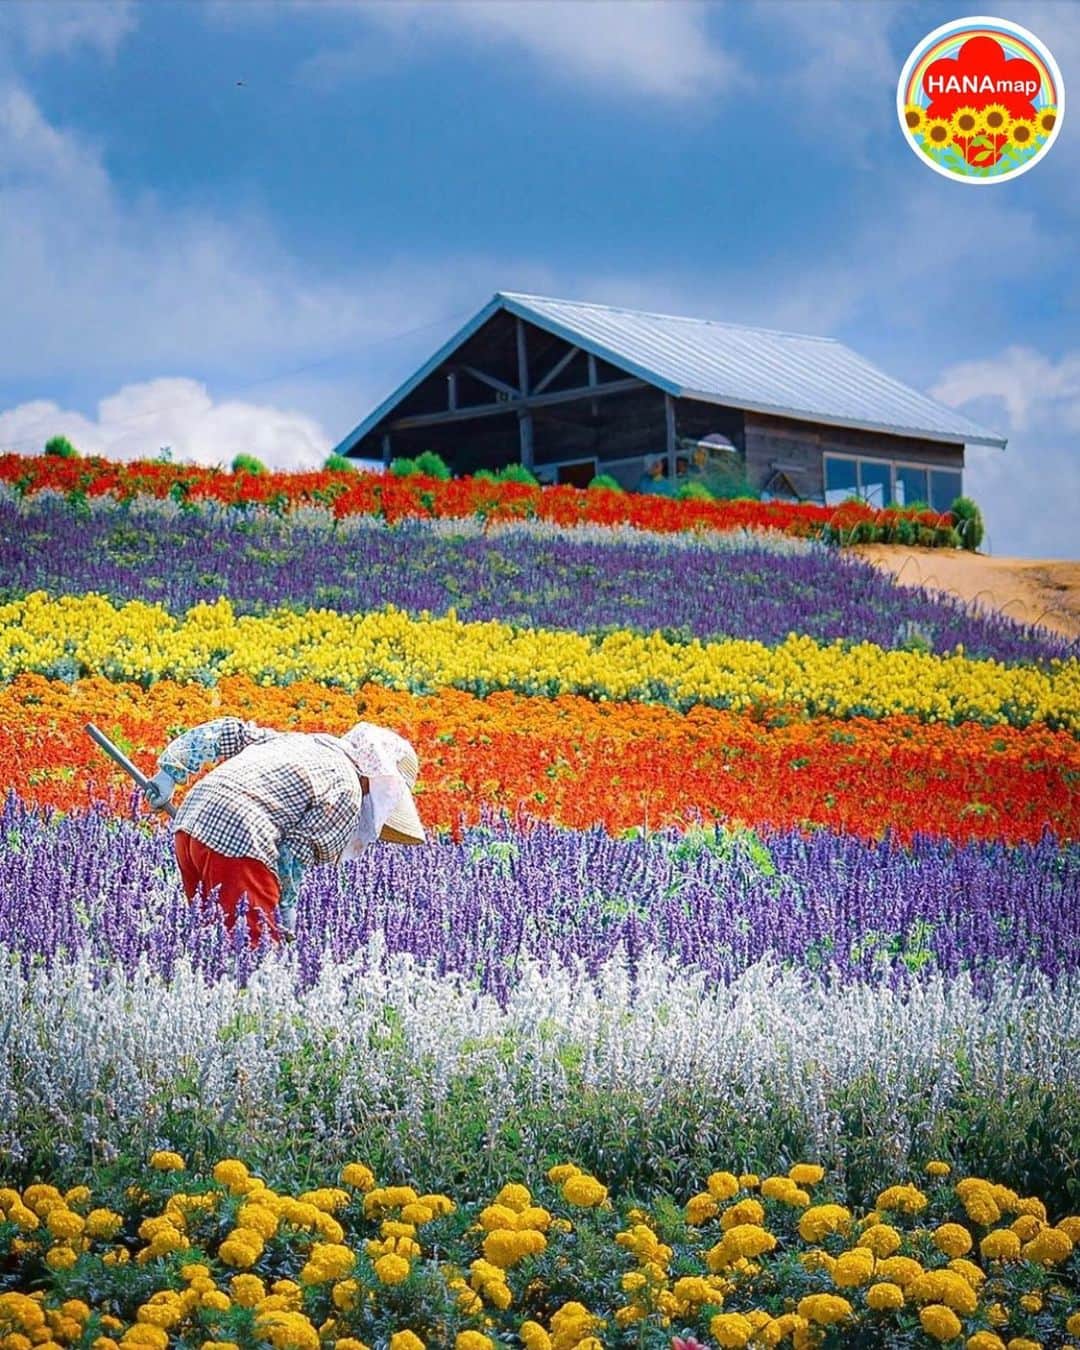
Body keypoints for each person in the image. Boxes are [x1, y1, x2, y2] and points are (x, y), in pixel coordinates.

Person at [142, 717, 424, 944]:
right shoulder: (346, 791)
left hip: (191, 825)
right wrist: (285, 913)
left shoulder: (297, 741)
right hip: (242, 841)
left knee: (209, 941)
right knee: (254, 950)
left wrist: (169, 774)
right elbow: (292, 857)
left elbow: (225, 732)